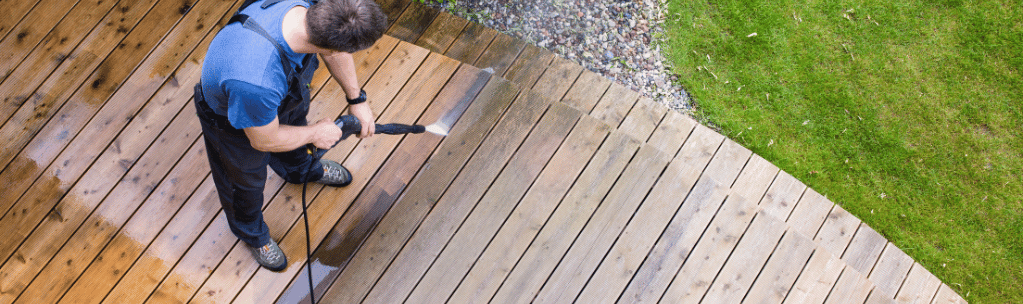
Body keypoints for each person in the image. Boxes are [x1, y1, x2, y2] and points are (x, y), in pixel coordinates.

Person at [193, 0, 387, 271]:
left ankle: (300, 171)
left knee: (297, 136)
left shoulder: (314, 15)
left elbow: (333, 53)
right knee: (244, 184)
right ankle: (252, 233)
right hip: (233, 122)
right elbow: (263, 140)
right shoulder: (257, 79)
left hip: (282, 96)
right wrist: (316, 134)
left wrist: (357, 99)